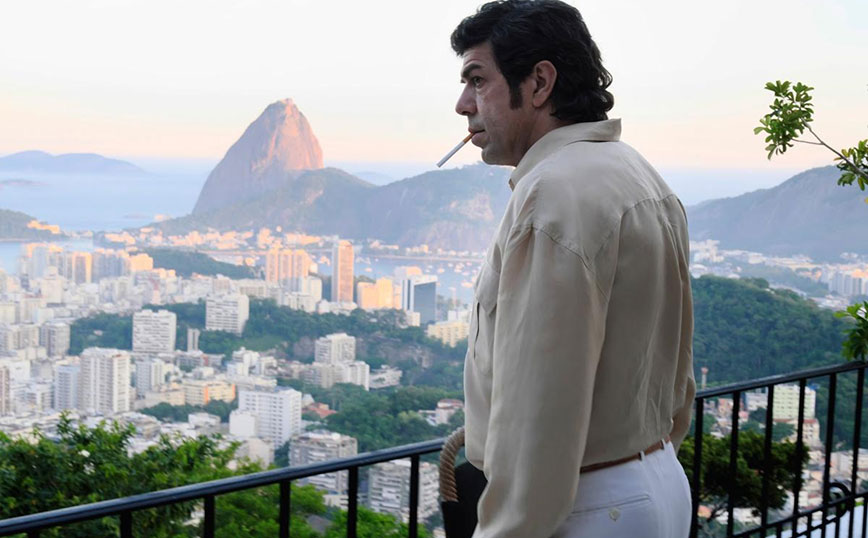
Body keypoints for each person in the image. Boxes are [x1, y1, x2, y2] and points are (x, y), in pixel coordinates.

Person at [451, 1, 696, 536]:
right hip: (653, 479)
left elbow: (540, 409)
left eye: (478, 80)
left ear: (539, 83)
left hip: (585, 505)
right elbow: (678, 369)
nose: (462, 104)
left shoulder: (553, 194)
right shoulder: (637, 171)